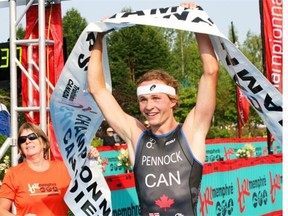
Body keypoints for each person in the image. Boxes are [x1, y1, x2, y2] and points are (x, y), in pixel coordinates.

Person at [87, 2, 219, 215]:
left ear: (173, 101)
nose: (149, 107)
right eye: (144, 100)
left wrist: (196, 21)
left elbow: (211, 72)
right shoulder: (136, 135)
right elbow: (97, 89)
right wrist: (99, 38)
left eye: (156, 98)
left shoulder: (191, 131)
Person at [0, 122, 99, 215]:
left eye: (32, 137)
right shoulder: (14, 173)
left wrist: (90, 160)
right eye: (22, 140)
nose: (27, 141)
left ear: (44, 143)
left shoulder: (63, 169)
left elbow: (89, 187)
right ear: (20, 149)